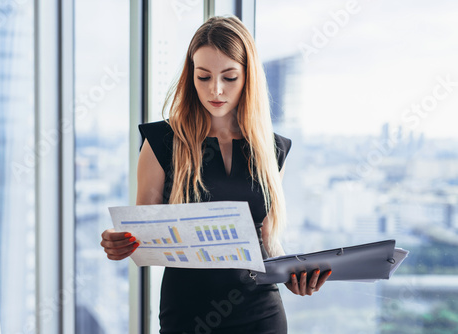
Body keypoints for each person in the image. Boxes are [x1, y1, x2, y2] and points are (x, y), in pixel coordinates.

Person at [101, 15, 331, 333]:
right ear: (190, 76)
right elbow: (143, 232)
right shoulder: (162, 142)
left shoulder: (272, 149)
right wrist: (120, 241)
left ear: (248, 78)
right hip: (187, 314)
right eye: (204, 76)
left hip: (261, 315)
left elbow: (265, 242)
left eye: (229, 77)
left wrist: (293, 276)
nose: (216, 90)